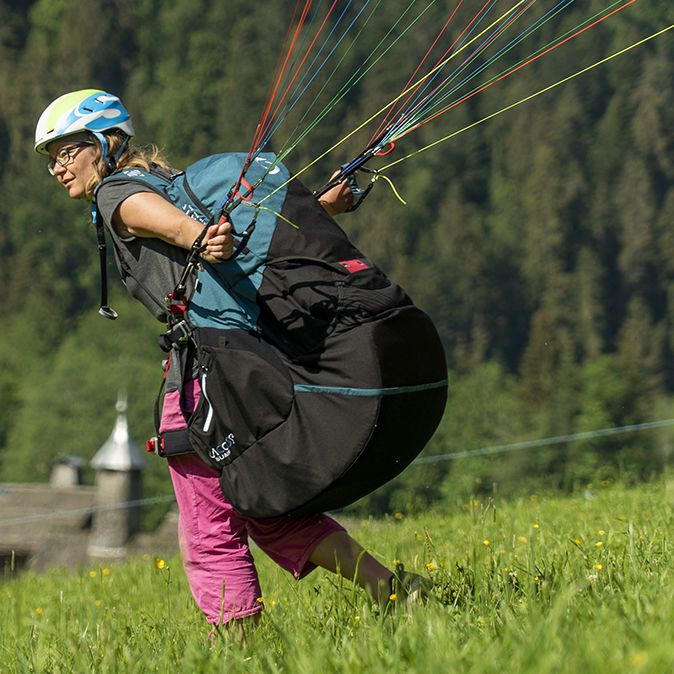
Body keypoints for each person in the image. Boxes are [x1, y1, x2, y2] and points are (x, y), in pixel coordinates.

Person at [34, 89, 432, 634]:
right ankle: (394, 591)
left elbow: (142, 215)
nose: (57, 167)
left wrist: (192, 236)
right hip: (251, 362)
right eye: (50, 157)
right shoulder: (173, 186)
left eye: (66, 151)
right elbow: (240, 233)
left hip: (204, 381)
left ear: (106, 141)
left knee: (206, 523)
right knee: (266, 505)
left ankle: (239, 648)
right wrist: (319, 208)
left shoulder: (116, 193)